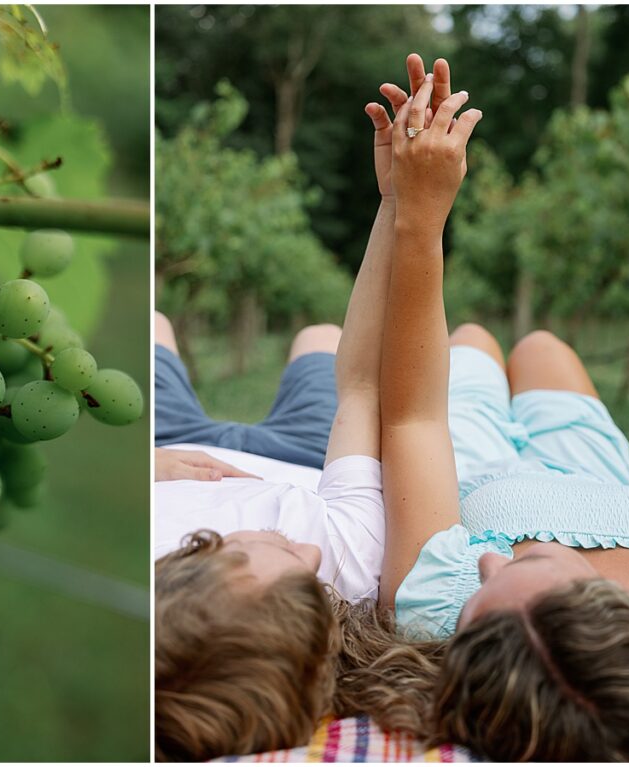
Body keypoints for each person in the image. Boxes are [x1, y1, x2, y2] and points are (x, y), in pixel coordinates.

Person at [155, 54, 458, 762]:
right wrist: (399, 205)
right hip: (303, 456)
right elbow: (362, 385)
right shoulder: (344, 574)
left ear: (195, 553)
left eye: (279, 550)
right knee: (321, 339)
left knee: (152, 322)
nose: (310, 549)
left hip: (172, 447)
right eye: (309, 578)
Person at [378, 69, 629, 761]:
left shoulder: (442, 603)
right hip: (598, 476)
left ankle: (477, 346)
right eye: (523, 560)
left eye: (484, 588)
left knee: (471, 339)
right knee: (541, 346)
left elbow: (412, 418)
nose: (486, 563)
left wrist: (417, 213)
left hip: (470, 461)